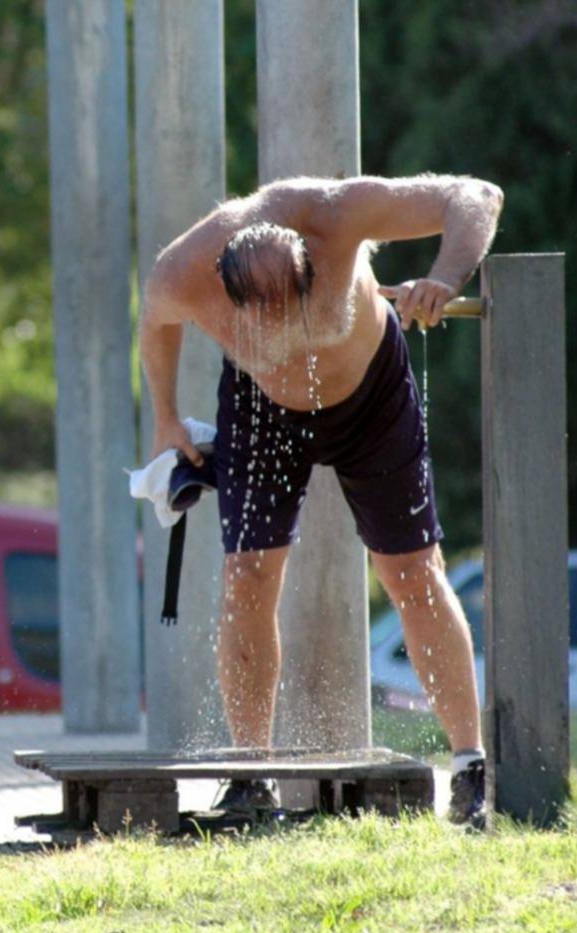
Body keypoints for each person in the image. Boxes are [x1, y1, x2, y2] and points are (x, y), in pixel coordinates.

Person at [139, 174, 504, 826]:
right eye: (269, 314)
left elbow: (477, 196)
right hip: (261, 410)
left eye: (299, 300)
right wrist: (166, 417)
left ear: (316, 265)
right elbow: (155, 318)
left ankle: (471, 765)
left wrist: (445, 277)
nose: (292, 325)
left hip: (372, 398)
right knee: (246, 574)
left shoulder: (336, 214)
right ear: (229, 298)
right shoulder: (183, 272)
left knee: (412, 573)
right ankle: (252, 774)